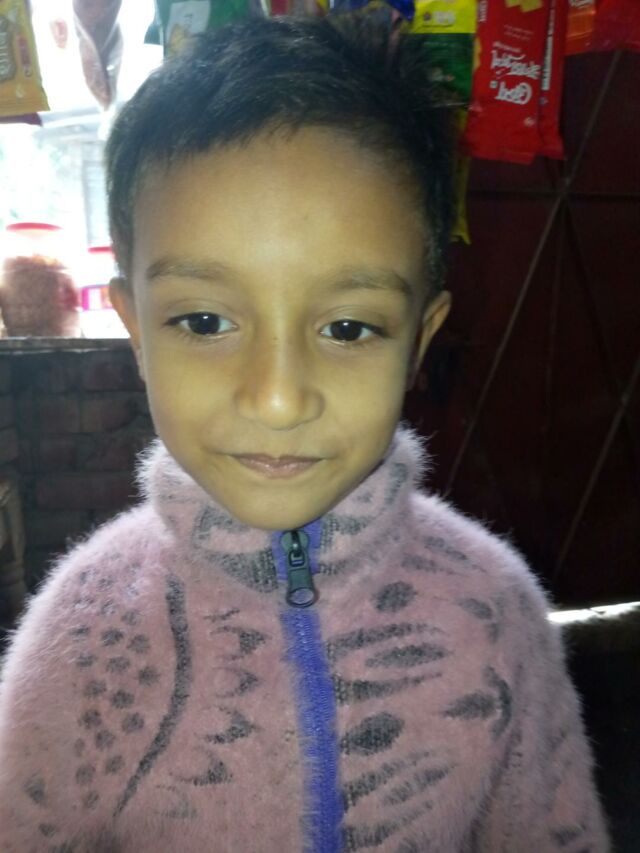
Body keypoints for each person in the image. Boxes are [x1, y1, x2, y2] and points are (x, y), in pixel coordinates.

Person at [0, 10, 610, 853]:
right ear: (136, 330)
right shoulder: (83, 633)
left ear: (419, 340)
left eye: (348, 328)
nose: (279, 399)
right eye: (205, 320)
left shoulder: (495, 611)